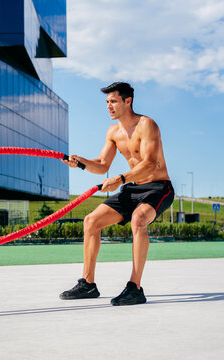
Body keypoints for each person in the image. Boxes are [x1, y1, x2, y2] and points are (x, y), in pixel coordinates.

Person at [61, 82, 174, 306]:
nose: (109, 106)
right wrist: (80, 162)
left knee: (139, 219)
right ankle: (88, 284)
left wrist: (120, 179)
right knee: (91, 221)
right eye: (107, 102)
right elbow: (102, 165)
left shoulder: (147, 125)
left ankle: (135, 288)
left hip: (158, 187)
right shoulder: (113, 132)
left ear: (127, 101)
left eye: (113, 101)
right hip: (132, 189)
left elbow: (150, 164)